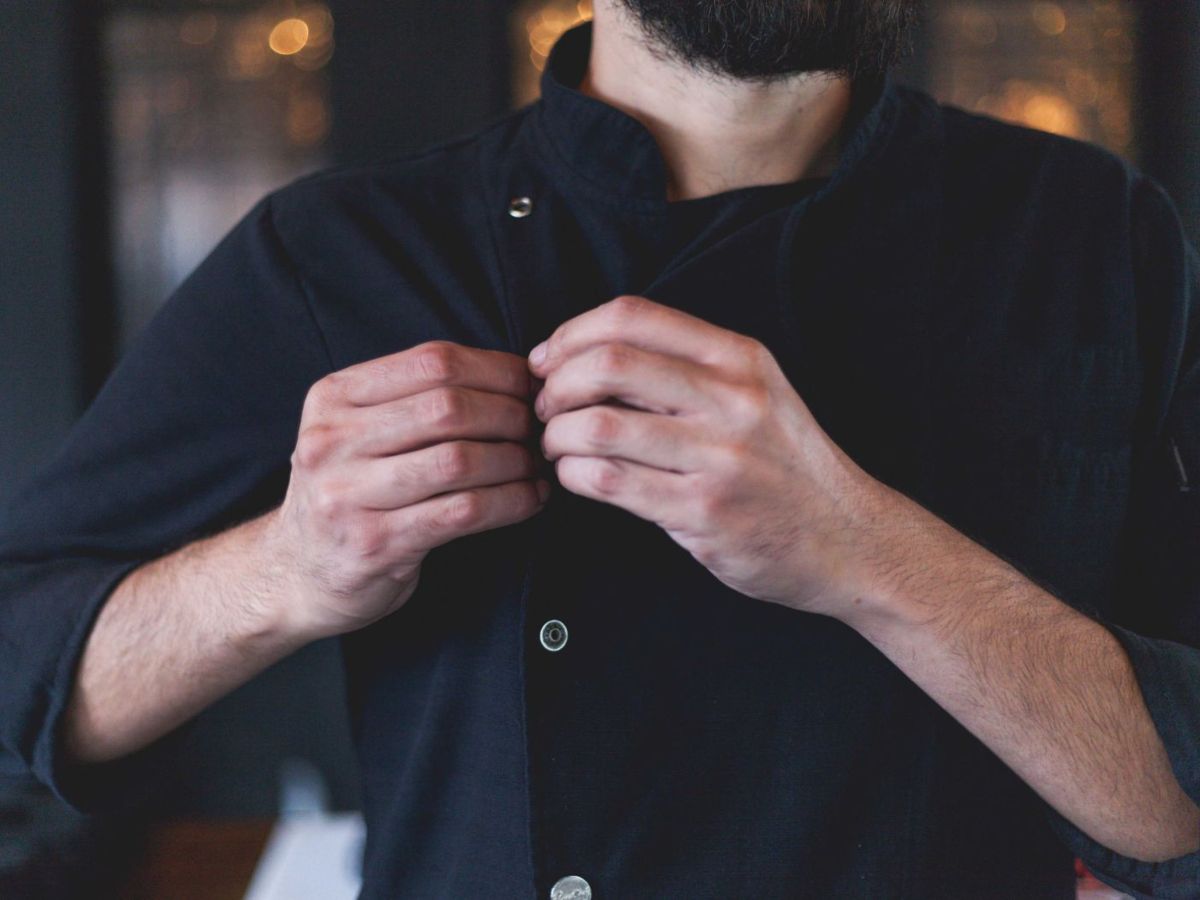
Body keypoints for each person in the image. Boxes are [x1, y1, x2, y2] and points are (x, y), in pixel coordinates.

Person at [1, 1, 1198, 897]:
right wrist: (289, 568)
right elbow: (19, 664)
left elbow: (1182, 811)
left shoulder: (1097, 238)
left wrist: (858, 544)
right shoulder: (342, 253)